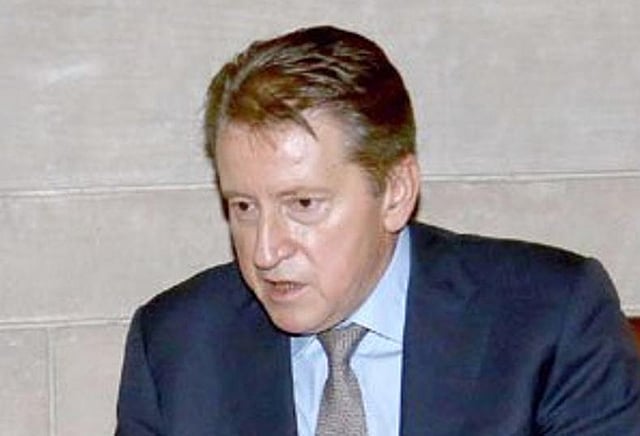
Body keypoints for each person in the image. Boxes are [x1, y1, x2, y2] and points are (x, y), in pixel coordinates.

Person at [115, 26, 640, 435]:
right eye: (244, 207)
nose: (266, 250)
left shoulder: (548, 320)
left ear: (395, 192)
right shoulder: (175, 348)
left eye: (303, 204)